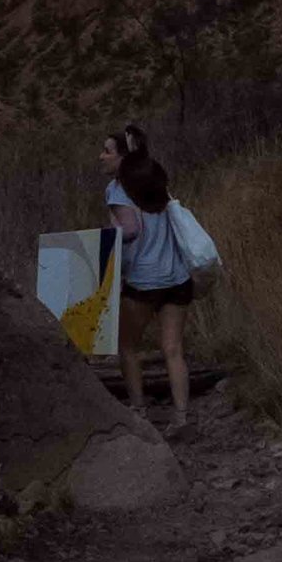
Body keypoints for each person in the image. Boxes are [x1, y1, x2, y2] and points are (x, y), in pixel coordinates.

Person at [99, 122, 195, 437]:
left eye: (107, 151)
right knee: (173, 349)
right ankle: (182, 418)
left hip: (144, 281)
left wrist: (105, 242)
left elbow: (131, 231)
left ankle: (139, 412)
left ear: (122, 157)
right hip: (177, 276)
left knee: (126, 344)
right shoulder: (156, 179)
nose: (101, 157)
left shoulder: (117, 189)